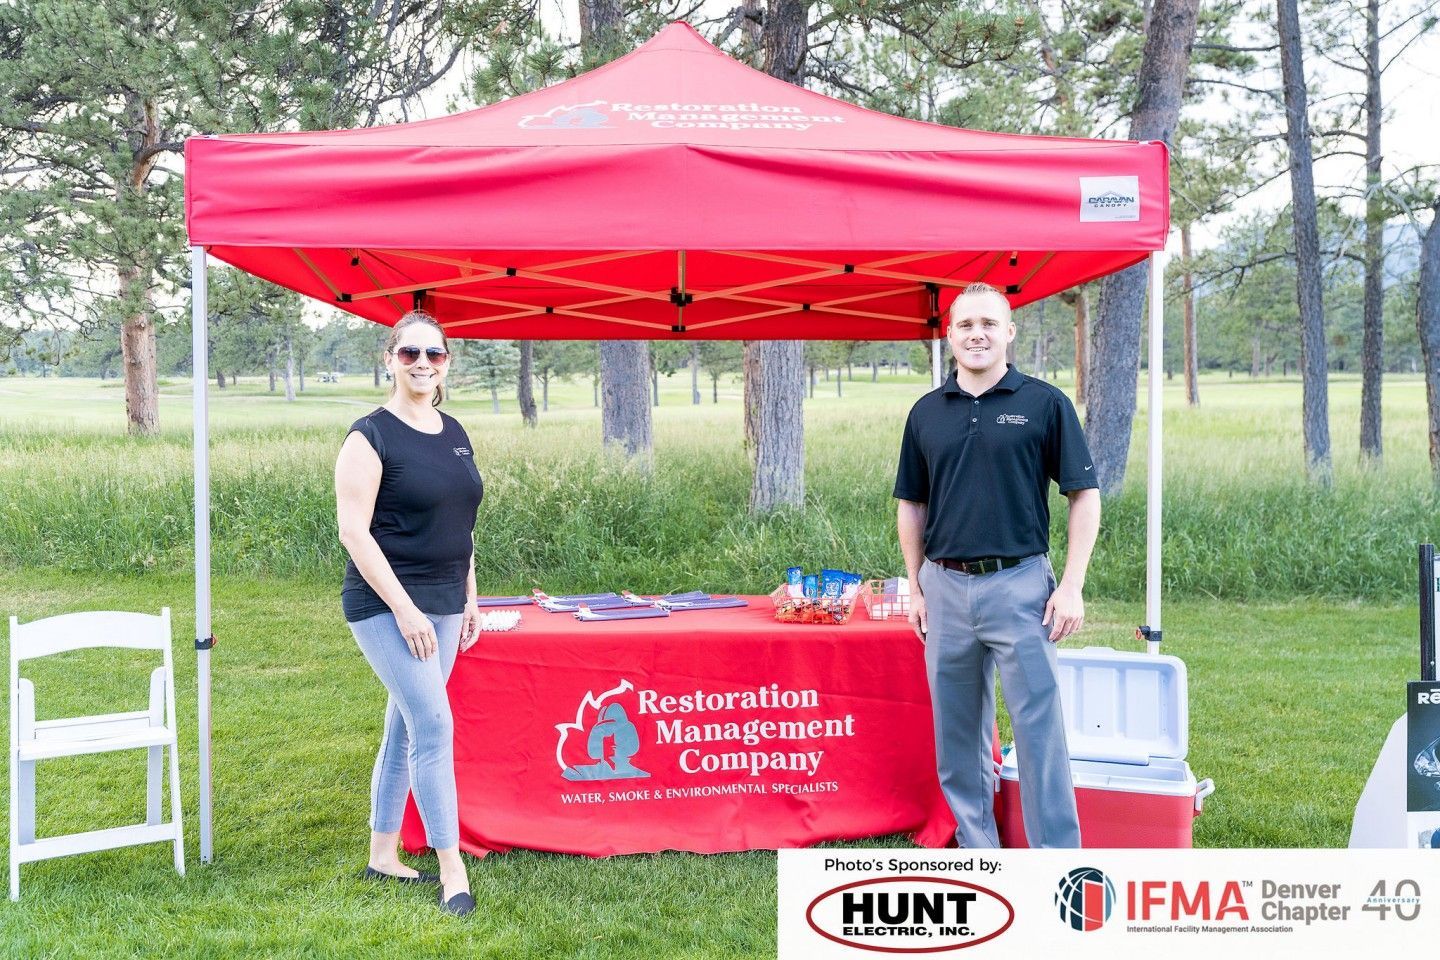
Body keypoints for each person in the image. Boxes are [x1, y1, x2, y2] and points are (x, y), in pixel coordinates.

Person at [893, 282, 1101, 849]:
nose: (976, 334)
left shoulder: (1044, 403)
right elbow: (911, 504)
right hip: (945, 587)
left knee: (1039, 733)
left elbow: (1084, 495)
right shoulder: (926, 414)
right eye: (965, 325)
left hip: (1021, 587)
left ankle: (1057, 859)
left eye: (988, 323)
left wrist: (1074, 585)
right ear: (950, 335)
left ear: (1009, 332)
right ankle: (980, 854)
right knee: (958, 735)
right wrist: (915, 586)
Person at [336, 311, 483, 915]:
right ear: (390, 359)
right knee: (434, 725)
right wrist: (405, 610)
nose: (423, 363)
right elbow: (354, 532)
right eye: (410, 353)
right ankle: (453, 872)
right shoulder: (369, 435)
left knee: (406, 725)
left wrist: (470, 595)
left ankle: (381, 854)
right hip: (386, 604)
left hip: (447, 599)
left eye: (436, 354)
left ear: (447, 362)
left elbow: (463, 523)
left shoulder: (453, 430)